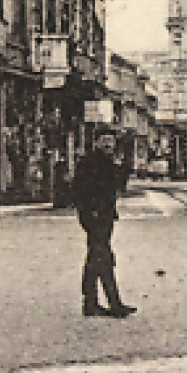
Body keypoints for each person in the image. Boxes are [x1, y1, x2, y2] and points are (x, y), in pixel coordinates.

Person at [73, 129, 136, 318]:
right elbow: (80, 189)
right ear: (97, 142)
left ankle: (91, 303)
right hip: (94, 215)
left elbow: (120, 184)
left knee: (96, 257)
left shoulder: (108, 161)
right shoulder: (89, 162)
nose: (109, 144)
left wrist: (124, 160)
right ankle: (113, 303)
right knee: (103, 257)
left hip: (104, 215)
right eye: (105, 140)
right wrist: (88, 211)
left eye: (111, 141)